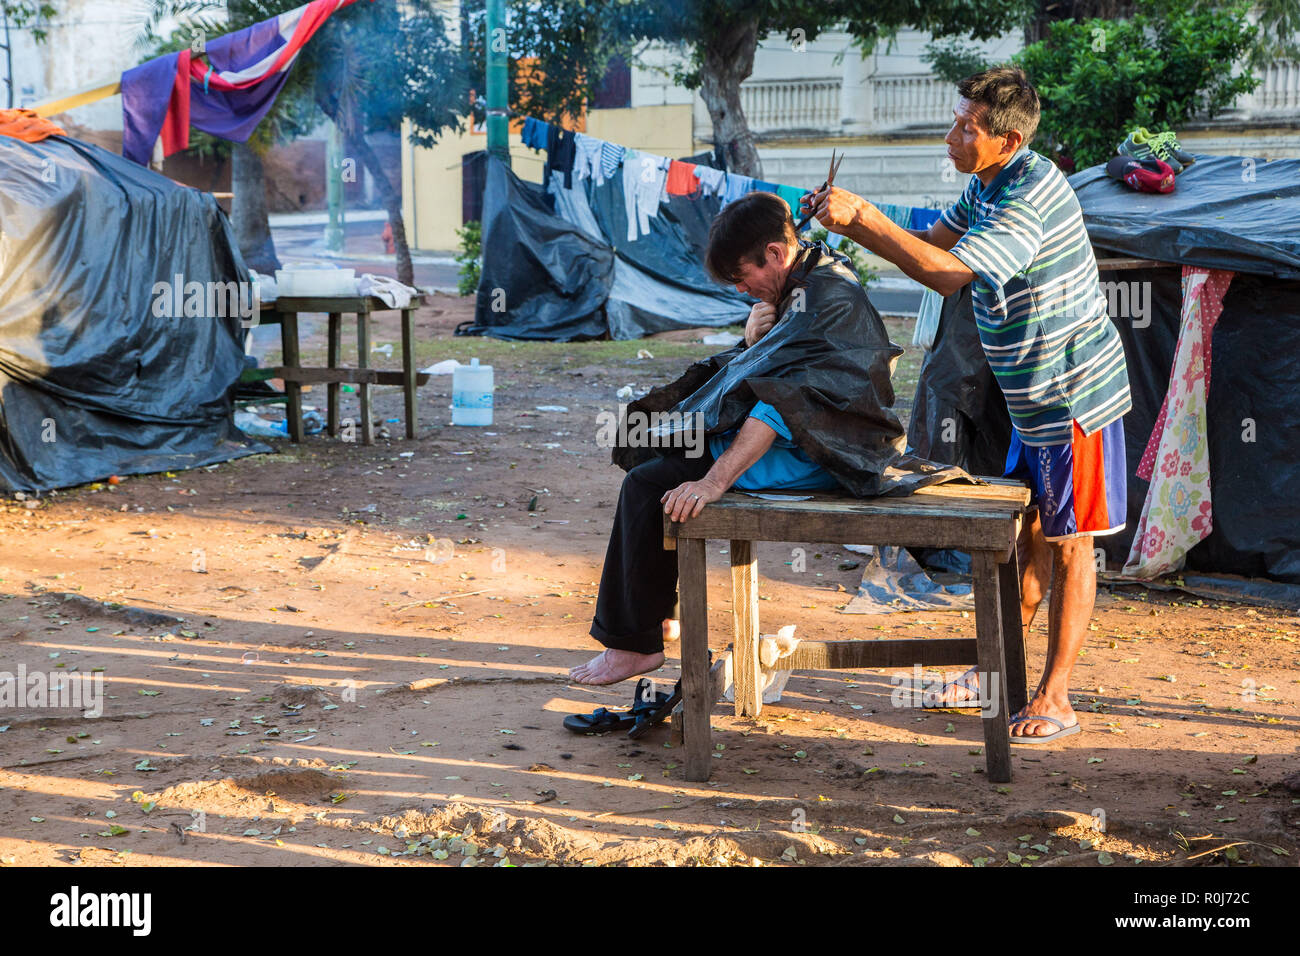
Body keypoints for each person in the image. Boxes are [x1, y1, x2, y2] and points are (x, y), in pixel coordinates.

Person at [801, 66, 1132, 743]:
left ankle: (1057, 696)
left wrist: (862, 215)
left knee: (1070, 545)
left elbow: (948, 275)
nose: (951, 135)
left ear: (1006, 140)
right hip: (1028, 396)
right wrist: (854, 222)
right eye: (955, 120)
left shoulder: (1027, 198)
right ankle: (997, 674)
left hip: (1071, 396)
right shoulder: (988, 185)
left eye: (966, 127)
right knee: (1030, 534)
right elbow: (935, 246)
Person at [570, 191, 957, 685]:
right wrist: (753, 338)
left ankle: (633, 645)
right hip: (800, 434)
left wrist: (712, 482)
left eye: (741, 277)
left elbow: (780, 403)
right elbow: (770, 367)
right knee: (652, 437)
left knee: (649, 486)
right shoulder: (809, 271)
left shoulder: (826, 302)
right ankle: (656, 617)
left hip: (828, 451)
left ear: (775, 254)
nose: (739, 290)